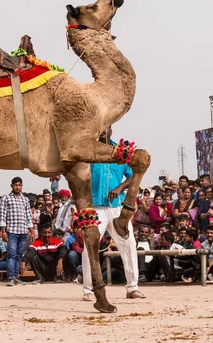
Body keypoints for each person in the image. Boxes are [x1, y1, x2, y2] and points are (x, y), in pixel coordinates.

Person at [82, 126, 145, 301]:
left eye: (106, 127)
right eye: (99, 127)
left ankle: (132, 288)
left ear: (111, 130)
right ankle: (88, 290)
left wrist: (119, 188)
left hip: (117, 207)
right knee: (89, 247)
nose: (102, 130)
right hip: (94, 207)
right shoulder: (88, 152)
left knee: (128, 244)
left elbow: (135, 175)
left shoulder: (121, 152)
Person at [0, 177, 34, 287]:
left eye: (19, 185)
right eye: (15, 185)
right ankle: (10, 277)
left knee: (19, 255)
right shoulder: (6, 198)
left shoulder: (25, 199)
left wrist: (31, 230)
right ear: (11, 186)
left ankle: (16, 277)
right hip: (12, 231)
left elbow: (28, 215)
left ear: (22, 186)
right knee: (11, 255)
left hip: (24, 231)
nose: (17, 187)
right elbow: (2, 215)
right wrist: (3, 231)